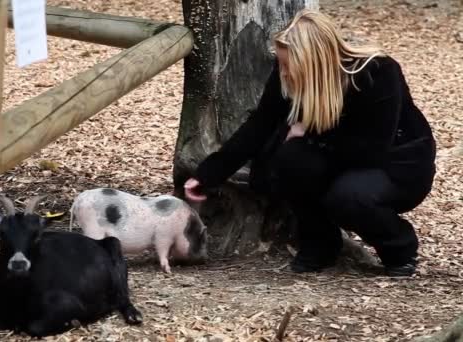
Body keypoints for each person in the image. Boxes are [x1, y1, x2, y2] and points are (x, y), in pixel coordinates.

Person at [182, 9, 436, 277]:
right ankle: (320, 244)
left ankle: (399, 248)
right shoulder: (287, 75)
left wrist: (312, 134)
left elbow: (372, 148)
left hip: (396, 165)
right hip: (339, 155)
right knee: (290, 161)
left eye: (288, 65)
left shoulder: (377, 73)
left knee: (348, 197)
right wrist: (209, 173)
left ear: (313, 62)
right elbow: (260, 126)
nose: (283, 72)